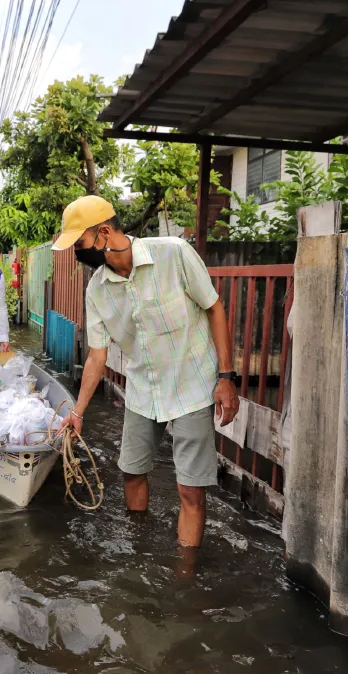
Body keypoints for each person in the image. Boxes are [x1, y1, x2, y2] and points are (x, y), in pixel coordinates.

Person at [55, 195, 240, 552]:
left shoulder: (173, 253)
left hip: (192, 384)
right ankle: (139, 546)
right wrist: (77, 412)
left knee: (190, 488)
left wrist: (226, 377)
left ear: (104, 233)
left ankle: (185, 576)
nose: (76, 253)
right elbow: (97, 354)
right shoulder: (97, 290)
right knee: (132, 471)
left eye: (79, 244)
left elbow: (214, 308)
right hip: (143, 389)